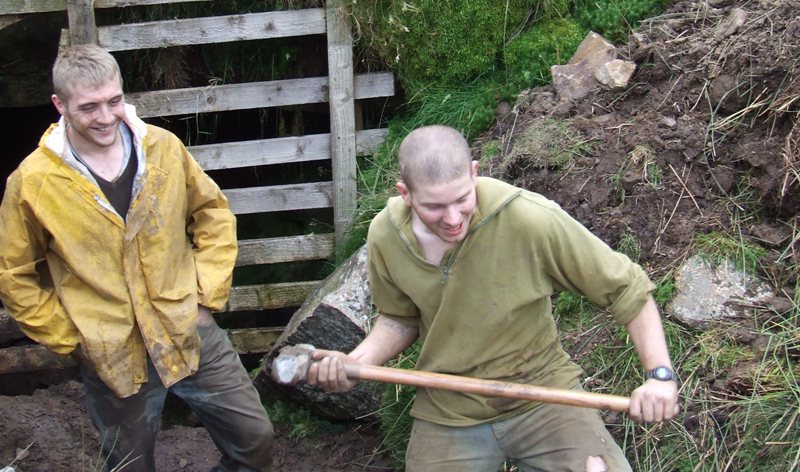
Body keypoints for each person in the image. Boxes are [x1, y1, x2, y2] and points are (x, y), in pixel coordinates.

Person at [307, 125, 680, 472]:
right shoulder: (385, 236)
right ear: (405, 194)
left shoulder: (529, 219)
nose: (452, 218)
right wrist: (355, 364)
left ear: (474, 173)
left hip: (544, 395)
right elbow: (398, 319)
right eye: (434, 207)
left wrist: (659, 377)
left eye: (462, 199)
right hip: (449, 408)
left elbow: (627, 289)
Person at [0, 44, 274, 472]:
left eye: (114, 101)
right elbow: (14, 274)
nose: (106, 117)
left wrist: (205, 298)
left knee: (254, 439)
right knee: (128, 465)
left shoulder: (162, 148)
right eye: (89, 107)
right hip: (111, 351)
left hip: (186, 327)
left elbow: (213, 215)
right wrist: (71, 338)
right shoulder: (34, 181)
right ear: (59, 105)